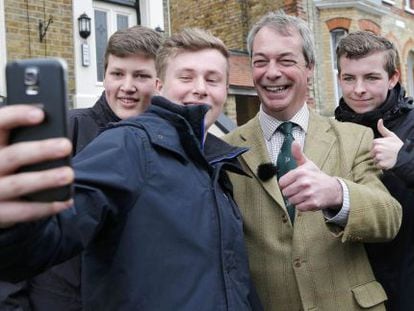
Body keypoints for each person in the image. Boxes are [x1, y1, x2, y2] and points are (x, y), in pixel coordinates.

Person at [0, 28, 262, 311]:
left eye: (213, 79)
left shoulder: (217, 164)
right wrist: (12, 223)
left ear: (226, 90)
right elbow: (48, 235)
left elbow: (232, 277)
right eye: (186, 77)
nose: (200, 87)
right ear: (160, 87)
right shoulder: (128, 143)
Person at [223, 11, 402, 310]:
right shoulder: (226, 150)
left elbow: (389, 219)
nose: (272, 72)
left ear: (310, 69)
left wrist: (336, 193)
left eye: (286, 60)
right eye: (261, 61)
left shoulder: (354, 137)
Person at [25, 25, 160, 311]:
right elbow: (22, 228)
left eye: (141, 76)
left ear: (159, 81)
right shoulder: (64, 130)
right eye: (117, 73)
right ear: (104, 76)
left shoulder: (166, 145)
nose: (127, 86)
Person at [334, 31, 414, 311]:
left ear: (393, 78)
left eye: (371, 77)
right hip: (355, 290)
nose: (359, 89)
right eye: (349, 78)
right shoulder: (331, 133)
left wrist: (404, 160)